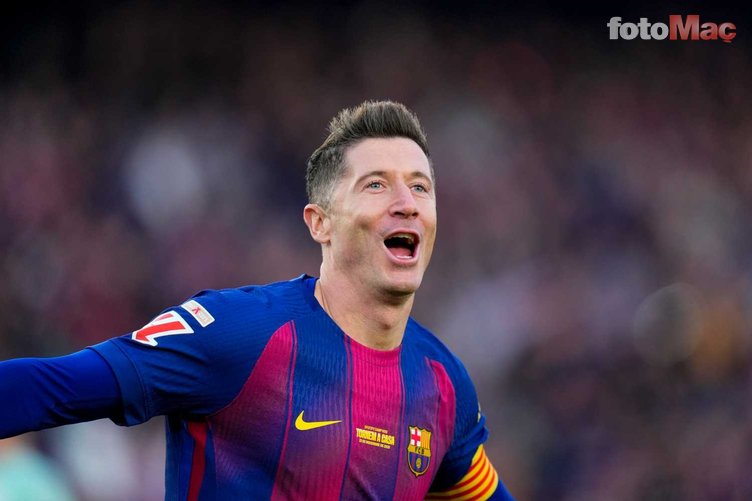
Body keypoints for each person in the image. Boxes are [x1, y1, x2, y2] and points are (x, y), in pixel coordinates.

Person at [0, 101, 514, 500]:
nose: (406, 203)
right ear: (320, 223)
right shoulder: (238, 334)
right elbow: (53, 387)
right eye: (376, 185)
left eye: (420, 188)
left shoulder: (443, 383)